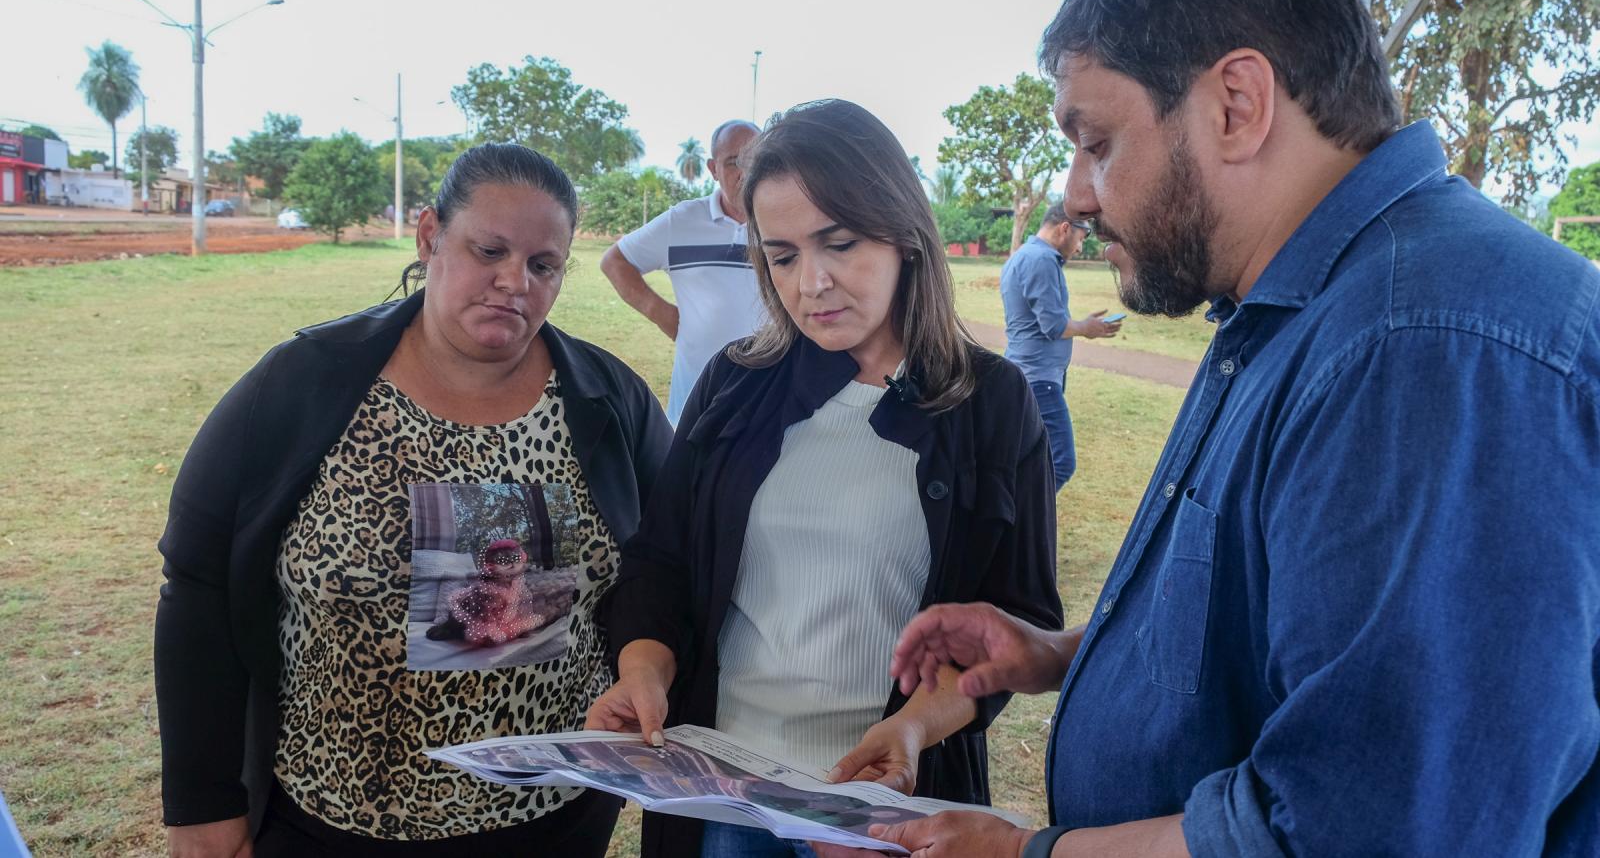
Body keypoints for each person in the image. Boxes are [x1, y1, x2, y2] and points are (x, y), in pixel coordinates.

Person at [819, 0, 1600, 856]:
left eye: (1097, 142)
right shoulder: (1297, 314)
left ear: (1237, 104)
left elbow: (1359, 830)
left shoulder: (1424, 348)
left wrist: (1027, 854)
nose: (1077, 193)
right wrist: (1059, 655)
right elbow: (1283, 640)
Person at [154, 143, 673, 857]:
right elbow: (198, 583)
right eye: (488, 250)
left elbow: (664, 564)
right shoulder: (304, 386)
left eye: (542, 265)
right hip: (331, 821)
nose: (513, 282)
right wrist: (202, 804)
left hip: (555, 819)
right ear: (430, 236)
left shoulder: (607, 402)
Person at [586, 99, 1065, 858]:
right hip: (722, 799)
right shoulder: (734, 383)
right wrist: (644, 668)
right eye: (780, 256)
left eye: (838, 244)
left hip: (881, 807)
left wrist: (913, 728)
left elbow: (1017, 620)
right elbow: (662, 561)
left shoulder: (990, 401)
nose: (811, 283)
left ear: (904, 234)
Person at [599, 119, 767, 424]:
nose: (746, 172)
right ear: (713, 168)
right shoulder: (683, 221)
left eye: (756, 161)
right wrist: (665, 315)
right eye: (733, 162)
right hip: (695, 401)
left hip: (768, 395)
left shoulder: (783, 222)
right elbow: (615, 262)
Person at [999, 204, 1121, 489]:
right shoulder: (1042, 260)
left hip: (1025, 375)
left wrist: (1081, 324)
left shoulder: (1022, 256)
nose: (1079, 248)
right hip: (1038, 379)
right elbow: (1054, 326)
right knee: (1061, 461)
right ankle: (1024, 524)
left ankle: (1011, 523)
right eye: (1081, 237)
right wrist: (1088, 329)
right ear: (1065, 228)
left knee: (1025, 459)